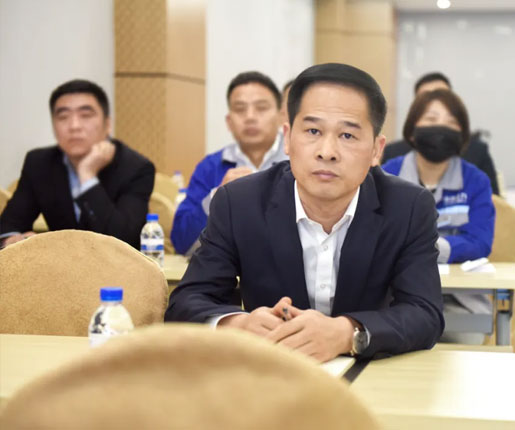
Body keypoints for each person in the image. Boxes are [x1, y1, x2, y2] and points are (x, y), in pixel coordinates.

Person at [165, 63, 444, 362]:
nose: (327, 151)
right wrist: (239, 325)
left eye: (347, 136)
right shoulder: (239, 202)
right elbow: (186, 302)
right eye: (313, 131)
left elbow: (424, 313)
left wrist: (347, 333)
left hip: (369, 374)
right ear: (287, 138)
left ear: (377, 149)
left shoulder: (409, 207)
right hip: (270, 369)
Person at [0, 79, 154, 249]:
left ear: (107, 124)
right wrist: (11, 240)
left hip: (116, 265)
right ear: (54, 126)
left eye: (85, 116)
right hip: (60, 263)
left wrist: (87, 176)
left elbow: (125, 240)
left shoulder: (136, 168)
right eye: (63, 117)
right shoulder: (39, 163)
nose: (74, 126)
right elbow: (8, 225)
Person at [383, 89, 495, 317]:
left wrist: (426, 248)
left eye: (451, 123)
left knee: (467, 333)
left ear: (462, 135)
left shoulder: (476, 181)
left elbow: (480, 242)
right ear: (412, 131)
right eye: (431, 119)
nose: (441, 128)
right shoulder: (386, 175)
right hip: (392, 295)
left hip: (459, 298)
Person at [171, 72, 287, 255]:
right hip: (227, 270)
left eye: (261, 108)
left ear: (281, 117)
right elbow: (182, 243)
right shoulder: (210, 167)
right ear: (229, 122)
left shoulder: (297, 162)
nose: (250, 117)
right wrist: (218, 197)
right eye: (240, 109)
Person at [382, 72, 500, 195]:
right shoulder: (392, 159)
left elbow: (495, 200)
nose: (437, 101)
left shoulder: (476, 158)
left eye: (444, 96)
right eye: (431, 118)